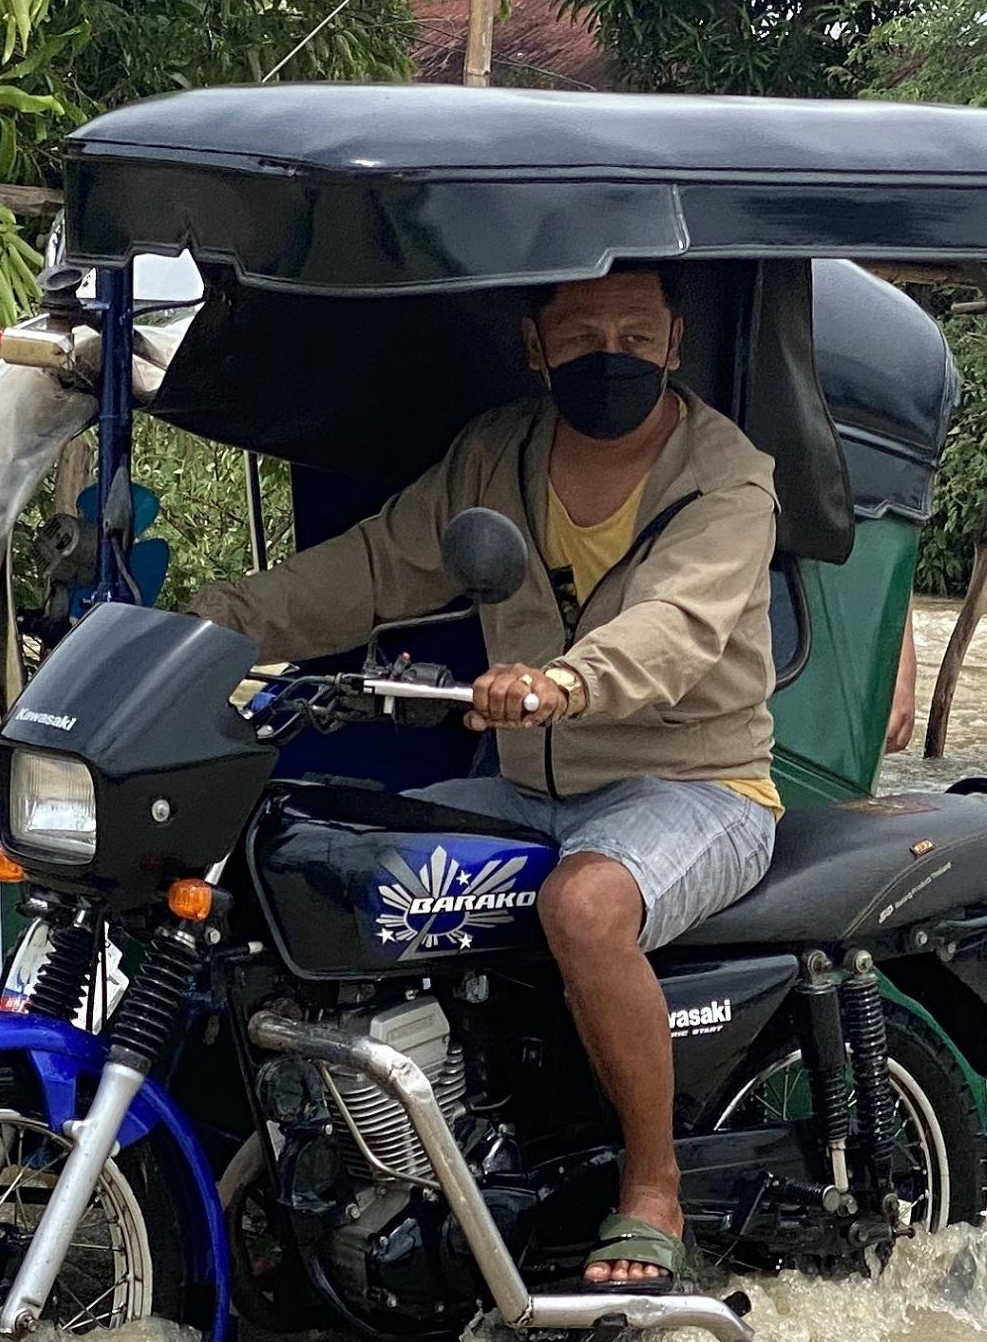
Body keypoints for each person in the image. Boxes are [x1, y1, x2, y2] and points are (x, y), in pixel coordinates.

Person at [185, 265, 782, 1290]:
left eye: (637, 337)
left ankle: (651, 1188)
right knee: (325, 863)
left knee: (587, 909)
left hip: (697, 783)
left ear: (675, 347)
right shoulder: (495, 457)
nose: (611, 354)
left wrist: (562, 680)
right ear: (535, 346)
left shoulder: (723, 474)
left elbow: (678, 628)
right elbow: (371, 569)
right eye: (584, 332)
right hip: (528, 784)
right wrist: (204, 625)